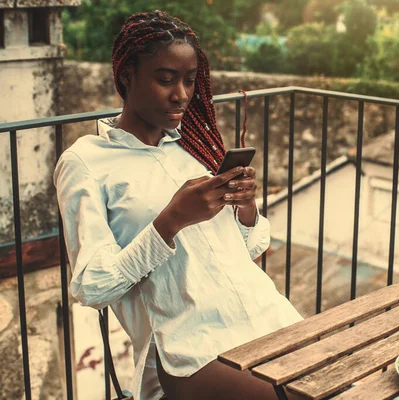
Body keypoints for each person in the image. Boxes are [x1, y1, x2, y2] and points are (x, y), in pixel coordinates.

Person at [54, 10, 305, 400]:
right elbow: (92, 286)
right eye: (166, 79)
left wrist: (245, 207)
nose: (182, 95)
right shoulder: (85, 162)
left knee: (351, 381)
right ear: (127, 77)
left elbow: (252, 247)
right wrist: (169, 222)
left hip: (266, 313)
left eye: (190, 81)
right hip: (190, 346)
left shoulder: (196, 147)